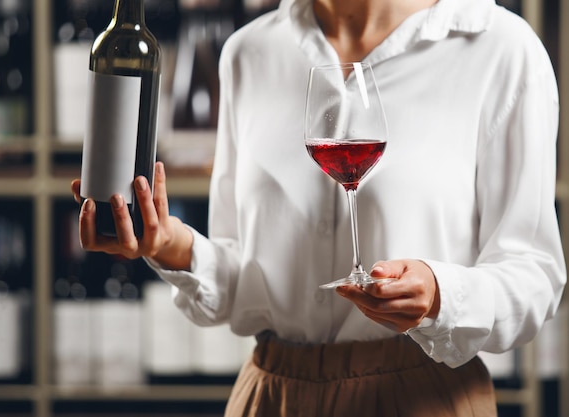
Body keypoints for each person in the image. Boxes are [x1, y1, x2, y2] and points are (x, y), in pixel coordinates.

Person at [71, 0, 567, 415]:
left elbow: (534, 274)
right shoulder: (250, 51)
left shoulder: (499, 48)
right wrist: (171, 246)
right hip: (271, 395)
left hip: (422, 397)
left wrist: (441, 295)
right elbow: (244, 279)